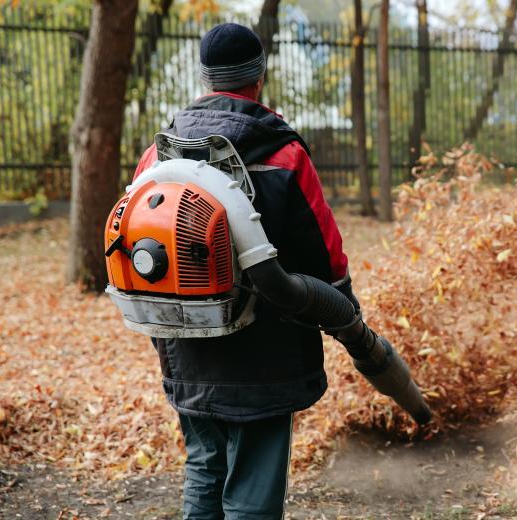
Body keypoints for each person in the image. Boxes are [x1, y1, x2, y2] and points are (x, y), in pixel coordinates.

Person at [133, 23, 356, 520]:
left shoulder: (158, 155)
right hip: (268, 351)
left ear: (206, 77)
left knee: (204, 463)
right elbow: (325, 255)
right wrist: (345, 306)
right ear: (260, 74)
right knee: (253, 477)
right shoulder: (283, 153)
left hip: (184, 346)